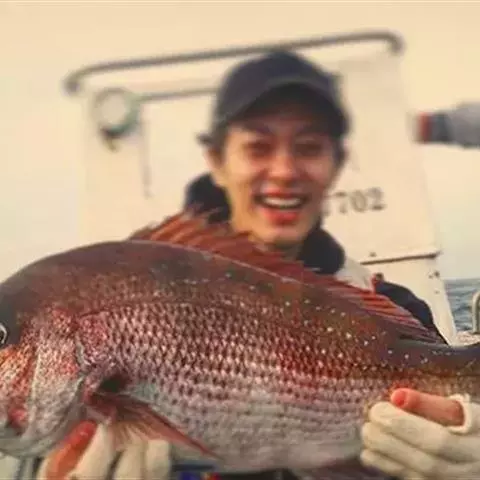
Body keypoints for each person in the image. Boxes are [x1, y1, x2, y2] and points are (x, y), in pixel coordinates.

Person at [23, 50, 480, 480]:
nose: (283, 171)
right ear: (216, 161)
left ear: (336, 164)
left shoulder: (396, 307)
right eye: (258, 147)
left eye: (309, 147)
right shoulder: (128, 279)